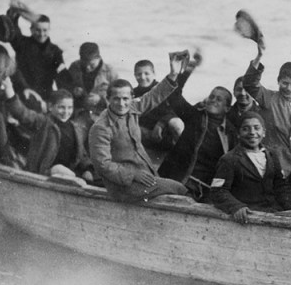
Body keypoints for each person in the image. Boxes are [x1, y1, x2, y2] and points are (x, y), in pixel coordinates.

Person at [87, 56, 192, 203]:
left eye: (125, 99)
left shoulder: (132, 110)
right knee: (180, 189)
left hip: (144, 175)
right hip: (123, 186)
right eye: (116, 99)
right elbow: (103, 165)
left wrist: (173, 73)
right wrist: (133, 175)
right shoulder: (101, 128)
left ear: (131, 98)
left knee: (181, 184)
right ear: (107, 99)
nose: (121, 104)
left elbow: (155, 95)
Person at [242, 40, 291, 178]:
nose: (288, 88)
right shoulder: (268, 98)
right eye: (284, 83)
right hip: (273, 167)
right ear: (278, 81)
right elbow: (250, 83)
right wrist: (259, 55)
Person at [210, 111, 291, 224]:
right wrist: (237, 207)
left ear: (263, 132)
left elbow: (281, 185)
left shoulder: (272, 155)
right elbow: (218, 191)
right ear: (238, 134)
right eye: (245, 129)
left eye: (256, 128)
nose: (252, 133)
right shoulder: (229, 159)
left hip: (273, 213)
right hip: (248, 217)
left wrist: (289, 208)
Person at [158, 85, 237, 192]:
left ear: (227, 108)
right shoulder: (194, 116)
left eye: (219, 99)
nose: (213, 100)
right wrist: (186, 71)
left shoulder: (230, 133)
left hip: (205, 188)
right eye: (211, 97)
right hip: (178, 180)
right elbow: (173, 95)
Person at [5, 0, 68, 108]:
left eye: (45, 30)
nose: (41, 34)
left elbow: (62, 76)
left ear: (49, 30)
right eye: (38, 30)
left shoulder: (55, 51)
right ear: (31, 29)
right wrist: (15, 12)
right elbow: (12, 28)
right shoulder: (21, 44)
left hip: (45, 95)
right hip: (23, 92)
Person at [21, 89, 94, 180]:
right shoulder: (44, 122)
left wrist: (87, 169)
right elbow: (23, 114)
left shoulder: (74, 128)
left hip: (68, 172)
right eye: (61, 107)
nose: (66, 112)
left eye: (70, 108)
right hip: (46, 172)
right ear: (51, 107)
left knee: (90, 178)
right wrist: (10, 94)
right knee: (59, 168)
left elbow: (82, 154)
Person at [134, 58, 185, 147]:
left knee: (177, 124)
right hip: (147, 132)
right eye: (139, 74)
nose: (142, 77)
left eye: (146, 73)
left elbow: (177, 109)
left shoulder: (164, 88)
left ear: (154, 74)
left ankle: (182, 151)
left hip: (165, 129)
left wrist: (161, 123)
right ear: (134, 75)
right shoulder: (132, 93)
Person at [65, 42, 117, 112]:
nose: (87, 68)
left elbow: (119, 96)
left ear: (99, 58)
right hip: (79, 113)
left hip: (102, 114)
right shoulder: (74, 67)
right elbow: (65, 88)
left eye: (92, 64)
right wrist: (74, 91)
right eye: (84, 63)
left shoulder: (110, 71)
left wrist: (101, 99)